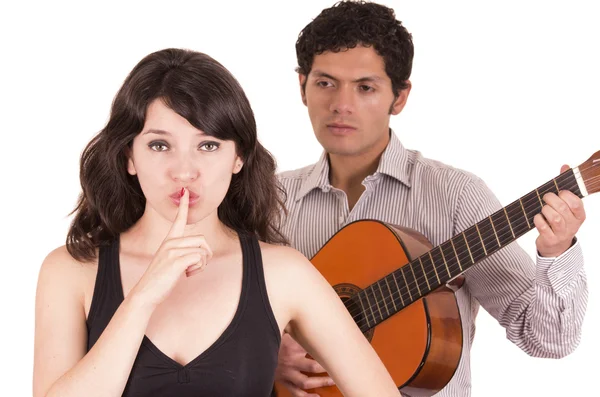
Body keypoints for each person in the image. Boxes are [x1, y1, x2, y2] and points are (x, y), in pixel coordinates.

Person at [32, 48, 402, 397]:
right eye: (160, 145)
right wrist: (143, 296)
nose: (184, 172)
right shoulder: (71, 271)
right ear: (130, 156)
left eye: (208, 145)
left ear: (238, 157)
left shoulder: (284, 272)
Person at [274, 1, 589, 396]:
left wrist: (557, 251)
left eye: (365, 87)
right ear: (302, 86)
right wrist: (268, 352)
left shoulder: (457, 197)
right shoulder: (271, 199)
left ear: (399, 97)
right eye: (325, 83)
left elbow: (549, 340)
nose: (341, 104)